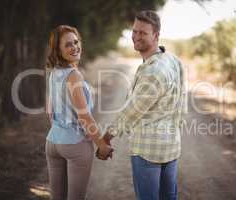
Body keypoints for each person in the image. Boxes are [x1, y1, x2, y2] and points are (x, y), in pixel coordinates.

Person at [97, 10, 185, 200]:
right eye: (135, 31)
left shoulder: (153, 71)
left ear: (156, 35)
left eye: (143, 33)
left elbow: (131, 112)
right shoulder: (172, 60)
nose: (136, 36)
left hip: (148, 151)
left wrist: (105, 138)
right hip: (171, 147)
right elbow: (181, 103)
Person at [45, 25, 113, 200]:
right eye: (68, 44)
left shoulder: (54, 73)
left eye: (76, 42)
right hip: (75, 144)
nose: (75, 47)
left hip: (52, 143)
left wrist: (60, 130)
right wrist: (102, 145)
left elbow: (50, 111)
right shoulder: (73, 75)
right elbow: (84, 117)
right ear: (58, 50)